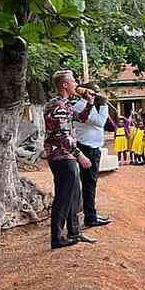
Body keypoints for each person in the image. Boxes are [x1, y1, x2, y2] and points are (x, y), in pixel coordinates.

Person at [44, 70, 97, 249]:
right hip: (61, 156)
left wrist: (89, 103)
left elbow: (81, 118)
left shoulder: (65, 105)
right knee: (63, 196)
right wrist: (79, 154)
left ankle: (74, 232)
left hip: (66, 155)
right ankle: (57, 238)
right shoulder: (58, 106)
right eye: (73, 81)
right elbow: (61, 135)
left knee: (74, 195)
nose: (76, 84)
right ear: (65, 85)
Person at [71, 83, 112, 229]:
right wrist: (104, 105)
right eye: (96, 92)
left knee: (91, 183)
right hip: (87, 149)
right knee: (89, 184)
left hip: (92, 148)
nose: (98, 95)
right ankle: (90, 217)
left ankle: (91, 214)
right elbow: (100, 122)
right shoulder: (81, 106)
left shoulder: (90, 106)